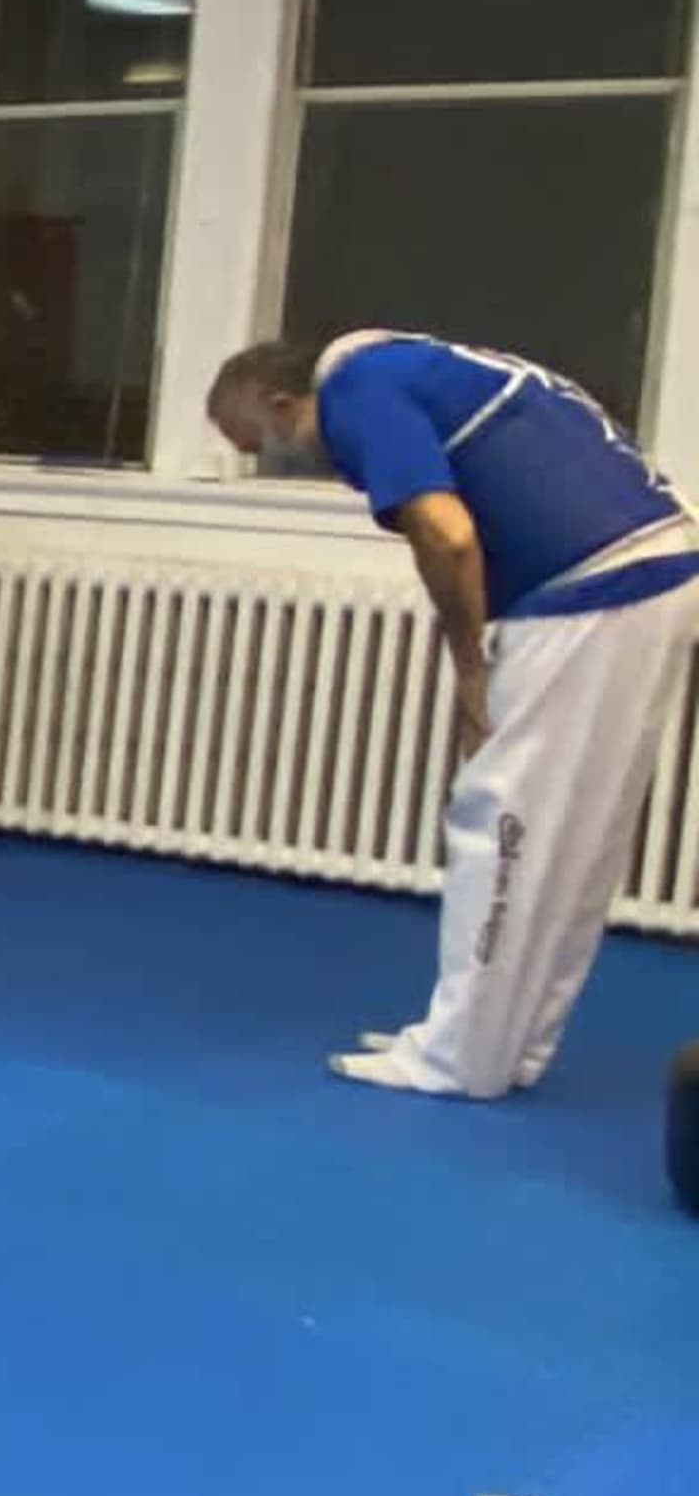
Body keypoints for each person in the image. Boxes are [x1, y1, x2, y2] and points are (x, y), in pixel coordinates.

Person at [208, 334, 699, 1100]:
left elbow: (447, 531)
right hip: (659, 567)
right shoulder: (424, 362)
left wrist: (471, 664)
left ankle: (459, 1057)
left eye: (261, 447)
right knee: (581, 833)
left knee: (502, 815)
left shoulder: (355, 386)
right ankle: (511, 1045)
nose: (279, 463)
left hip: (591, 589)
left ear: (282, 403)